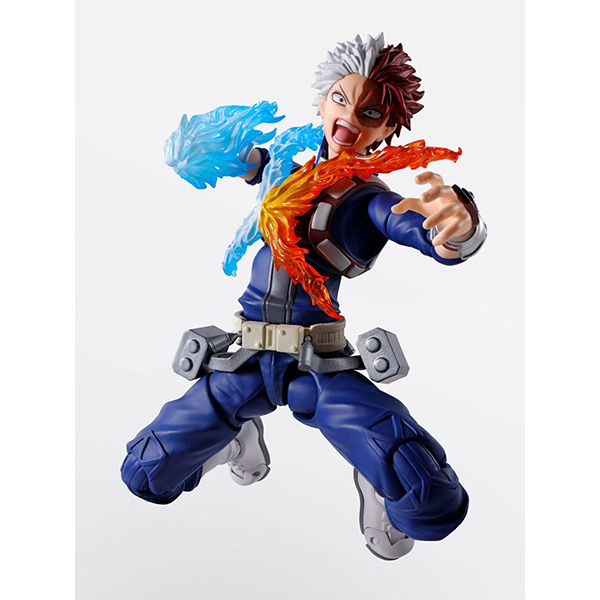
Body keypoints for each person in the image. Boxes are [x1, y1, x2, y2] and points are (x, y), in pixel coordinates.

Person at [121, 33, 486, 560]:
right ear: (321, 101)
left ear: (388, 128)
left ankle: (377, 480)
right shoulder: (283, 174)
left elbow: (422, 231)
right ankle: (230, 442)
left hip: (318, 369)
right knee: (145, 472)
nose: (349, 118)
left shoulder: (370, 200)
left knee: (430, 500)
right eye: (340, 99)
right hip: (245, 362)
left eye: (371, 112)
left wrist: (455, 230)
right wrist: (202, 150)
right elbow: (246, 160)